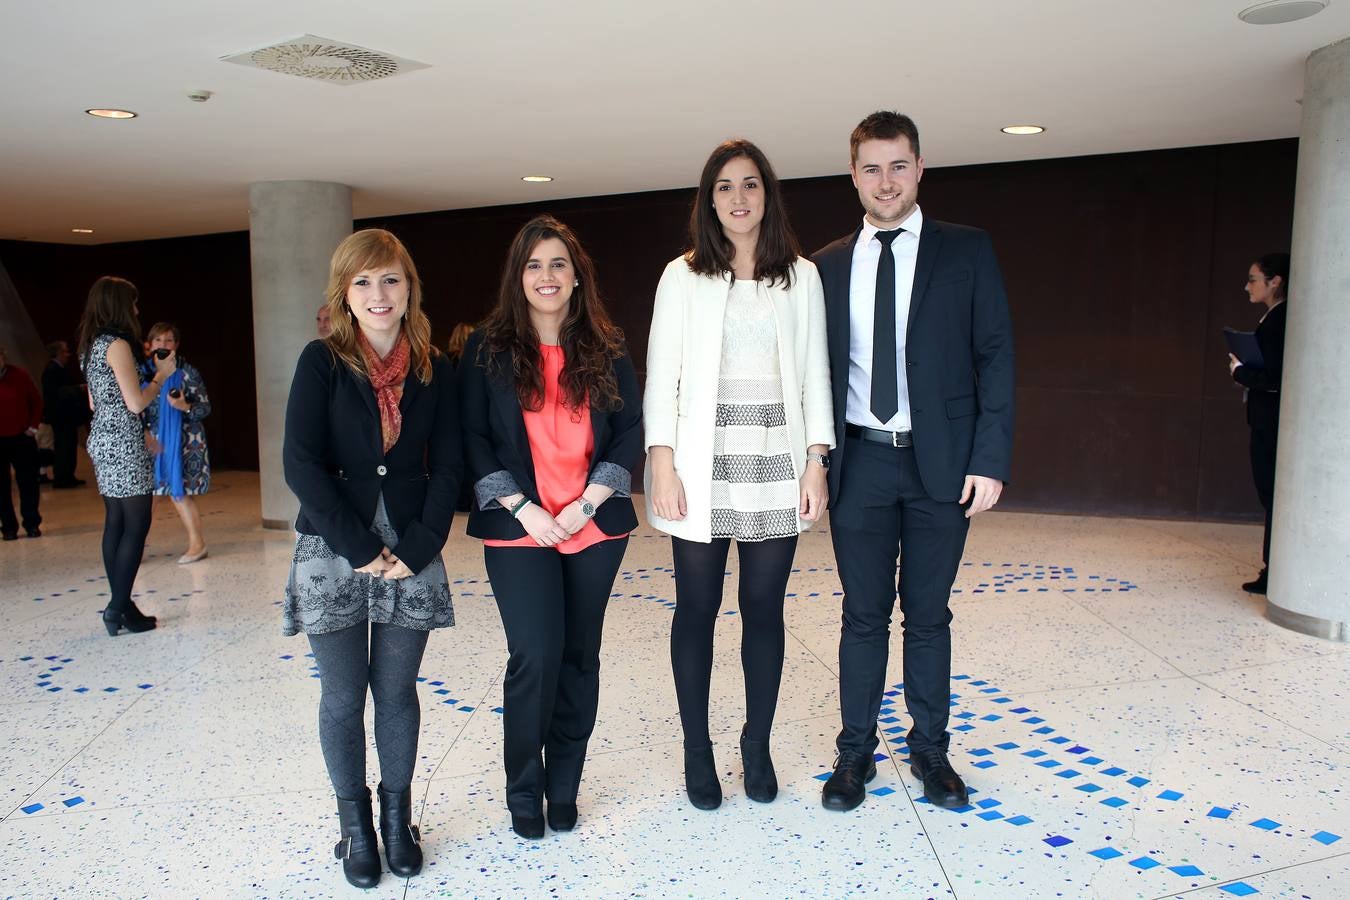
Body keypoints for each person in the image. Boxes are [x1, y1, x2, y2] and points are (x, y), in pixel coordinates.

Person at [813, 111, 1015, 812]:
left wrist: (989, 459)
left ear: (920, 168)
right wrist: (815, 462)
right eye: (871, 167)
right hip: (860, 464)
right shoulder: (828, 264)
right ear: (854, 176)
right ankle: (854, 752)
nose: (885, 180)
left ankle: (930, 750)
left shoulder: (967, 251)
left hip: (944, 466)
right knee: (862, 616)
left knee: (928, 616)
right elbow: (815, 372)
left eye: (898, 165)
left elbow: (995, 355)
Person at [644, 139, 833, 810]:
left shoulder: (800, 277)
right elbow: (662, 375)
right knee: (695, 610)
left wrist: (817, 459)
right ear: (709, 199)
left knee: (763, 610)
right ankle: (698, 750)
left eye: (750, 184)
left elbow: (815, 373)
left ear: (768, 194)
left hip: (775, 462)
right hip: (700, 465)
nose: (738, 197)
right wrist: (661, 461)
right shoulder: (682, 276)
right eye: (724, 186)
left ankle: (757, 743)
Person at [282, 229, 460, 889]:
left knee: (395, 690)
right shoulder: (321, 361)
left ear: (408, 285)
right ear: (345, 294)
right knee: (341, 693)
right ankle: (355, 827)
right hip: (334, 546)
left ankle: (396, 820)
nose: (378, 294)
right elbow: (300, 464)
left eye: (389, 279)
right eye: (363, 282)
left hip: (412, 545)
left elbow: (448, 467)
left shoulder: (434, 367)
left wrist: (415, 550)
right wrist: (359, 548)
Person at [459, 214, 641, 839]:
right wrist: (524, 508)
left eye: (558, 263)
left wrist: (586, 505)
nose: (546, 275)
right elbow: (474, 438)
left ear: (576, 275)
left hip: (592, 522)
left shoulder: (605, 345)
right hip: (520, 526)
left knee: (579, 658)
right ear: (518, 275)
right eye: (534, 264)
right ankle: (523, 791)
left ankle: (564, 788)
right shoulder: (487, 348)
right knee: (535, 654)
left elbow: (632, 429)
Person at [77, 276, 175, 634]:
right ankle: (117, 607)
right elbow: (135, 402)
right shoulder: (116, 344)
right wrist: (161, 377)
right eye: (133, 303)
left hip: (102, 437)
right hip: (123, 442)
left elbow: (93, 401)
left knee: (115, 522)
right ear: (120, 304)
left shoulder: (89, 345)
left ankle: (124, 607)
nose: (137, 310)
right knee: (135, 524)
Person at [1229, 252, 1289, 595]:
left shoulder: (1280, 320)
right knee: (1268, 493)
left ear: (1274, 281)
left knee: (1271, 494)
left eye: (1254, 279)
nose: (1247, 286)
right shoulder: (1272, 317)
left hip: (1271, 420)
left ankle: (1274, 572)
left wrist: (1241, 372)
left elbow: (1273, 374)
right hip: (1265, 418)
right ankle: (1272, 570)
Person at [143, 323, 212, 563]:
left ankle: (197, 544)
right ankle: (136, 548)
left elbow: (204, 407)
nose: (163, 345)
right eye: (158, 340)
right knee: (147, 496)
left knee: (178, 494)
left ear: (176, 345)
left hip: (184, 442)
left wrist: (184, 407)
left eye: (169, 340)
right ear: (149, 345)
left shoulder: (187, 372)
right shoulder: (142, 373)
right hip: (151, 443)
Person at [0, 345, 44, 540]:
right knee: (1, 486)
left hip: (22, 438)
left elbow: (36, 401)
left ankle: (32, 523)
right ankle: (8, 527)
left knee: (28, 483)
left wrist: (33, 426)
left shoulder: (19, 375)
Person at [41, 340, 87, 488]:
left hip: (67, 417)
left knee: (68, 446)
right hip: (61, 417)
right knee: (63, 447)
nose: (68, 355)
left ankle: (68, 476)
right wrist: (78, 389)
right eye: (65, 351)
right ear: (59, 353)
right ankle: (62, 478)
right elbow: (56, 393)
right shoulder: (51, 370)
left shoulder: (59, 369)